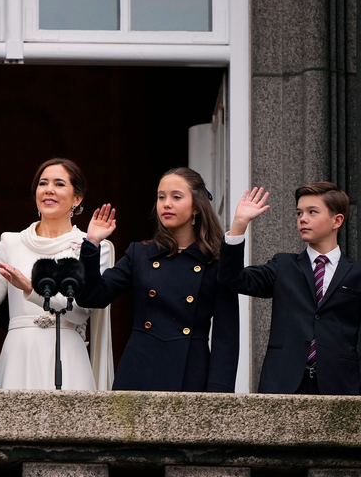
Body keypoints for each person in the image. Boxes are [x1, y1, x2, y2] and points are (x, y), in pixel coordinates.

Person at [77, 167, 239, 392]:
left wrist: (219, 393)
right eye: (161, 197)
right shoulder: (140, 254)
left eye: (176, 197)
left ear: (196, 207)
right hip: (138, 370)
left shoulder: (215, 262)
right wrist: (92, 244)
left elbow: (226, 337)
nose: (166, 204)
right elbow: (91, 297)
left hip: (191, 373)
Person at [0, 158, 114, 390]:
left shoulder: (94, 247)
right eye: (43, 183)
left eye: (60, 184)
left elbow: (81, 312)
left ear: (77, 198)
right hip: (19, 355)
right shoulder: (10, 243)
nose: (49, 189)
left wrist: (31, 290)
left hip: (69, 353)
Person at [219, 183, 361, 395]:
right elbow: (233, 279)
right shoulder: (283, 266)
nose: (302, 218)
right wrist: (239, 224)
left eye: (312, 212)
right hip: (283, 383)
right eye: (299, 213)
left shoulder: (356, 273)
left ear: (337, 220)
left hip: (341, 385)